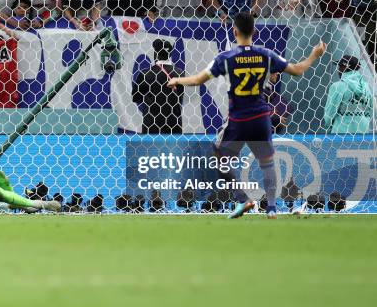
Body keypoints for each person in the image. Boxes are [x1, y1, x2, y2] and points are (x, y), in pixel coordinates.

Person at [166, 12, 327, 219]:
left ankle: (243, 200)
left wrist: (177, 80)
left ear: (234, 32)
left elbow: (198, 80)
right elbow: (297, 70)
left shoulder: (226, 57)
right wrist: (315, 54)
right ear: (255, 31)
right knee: (267, 163)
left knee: (219, 160)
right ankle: (271, 209)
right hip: (261, 118)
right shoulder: (265, 54)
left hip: (238, 120)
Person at [132, 39, 185, 134]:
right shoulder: (180, 73)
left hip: (151, 124)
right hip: (173, 124)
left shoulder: (145, 74)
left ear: (155, 54)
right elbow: (180, 96)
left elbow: (135, 98)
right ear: (170, 54)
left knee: (150, 149)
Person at [323, 55, 373, 133]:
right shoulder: (366, 87)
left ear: (344, 67)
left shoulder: (338, 86)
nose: (338, 70)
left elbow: (329, 113)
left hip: (341, 135)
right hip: (364, 133)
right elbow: (371, 110)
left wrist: (328, 128)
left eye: (339, 67)